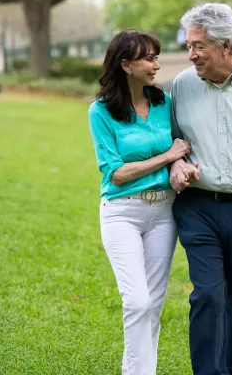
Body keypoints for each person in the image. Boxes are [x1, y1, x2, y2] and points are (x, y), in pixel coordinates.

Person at [88, 30, 191, 375]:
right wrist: (167, 156)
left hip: (165, 212)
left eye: (156, 57)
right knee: (137, 301)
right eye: (148, 58)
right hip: (122, 212)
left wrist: (178, 161)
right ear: (126, 64)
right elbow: (116, 173)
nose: (156, 65)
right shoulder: (100, 111)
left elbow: (183, 146)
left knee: (154, 305)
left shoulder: (165, 103)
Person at [170, 3, 232, 375]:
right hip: (198, 207)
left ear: (225, 46)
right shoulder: (181, 85)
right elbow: (172, 140)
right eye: (189, 45)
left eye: (198, 46)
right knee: (207, 293)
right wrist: (176, 163)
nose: (191, 55)